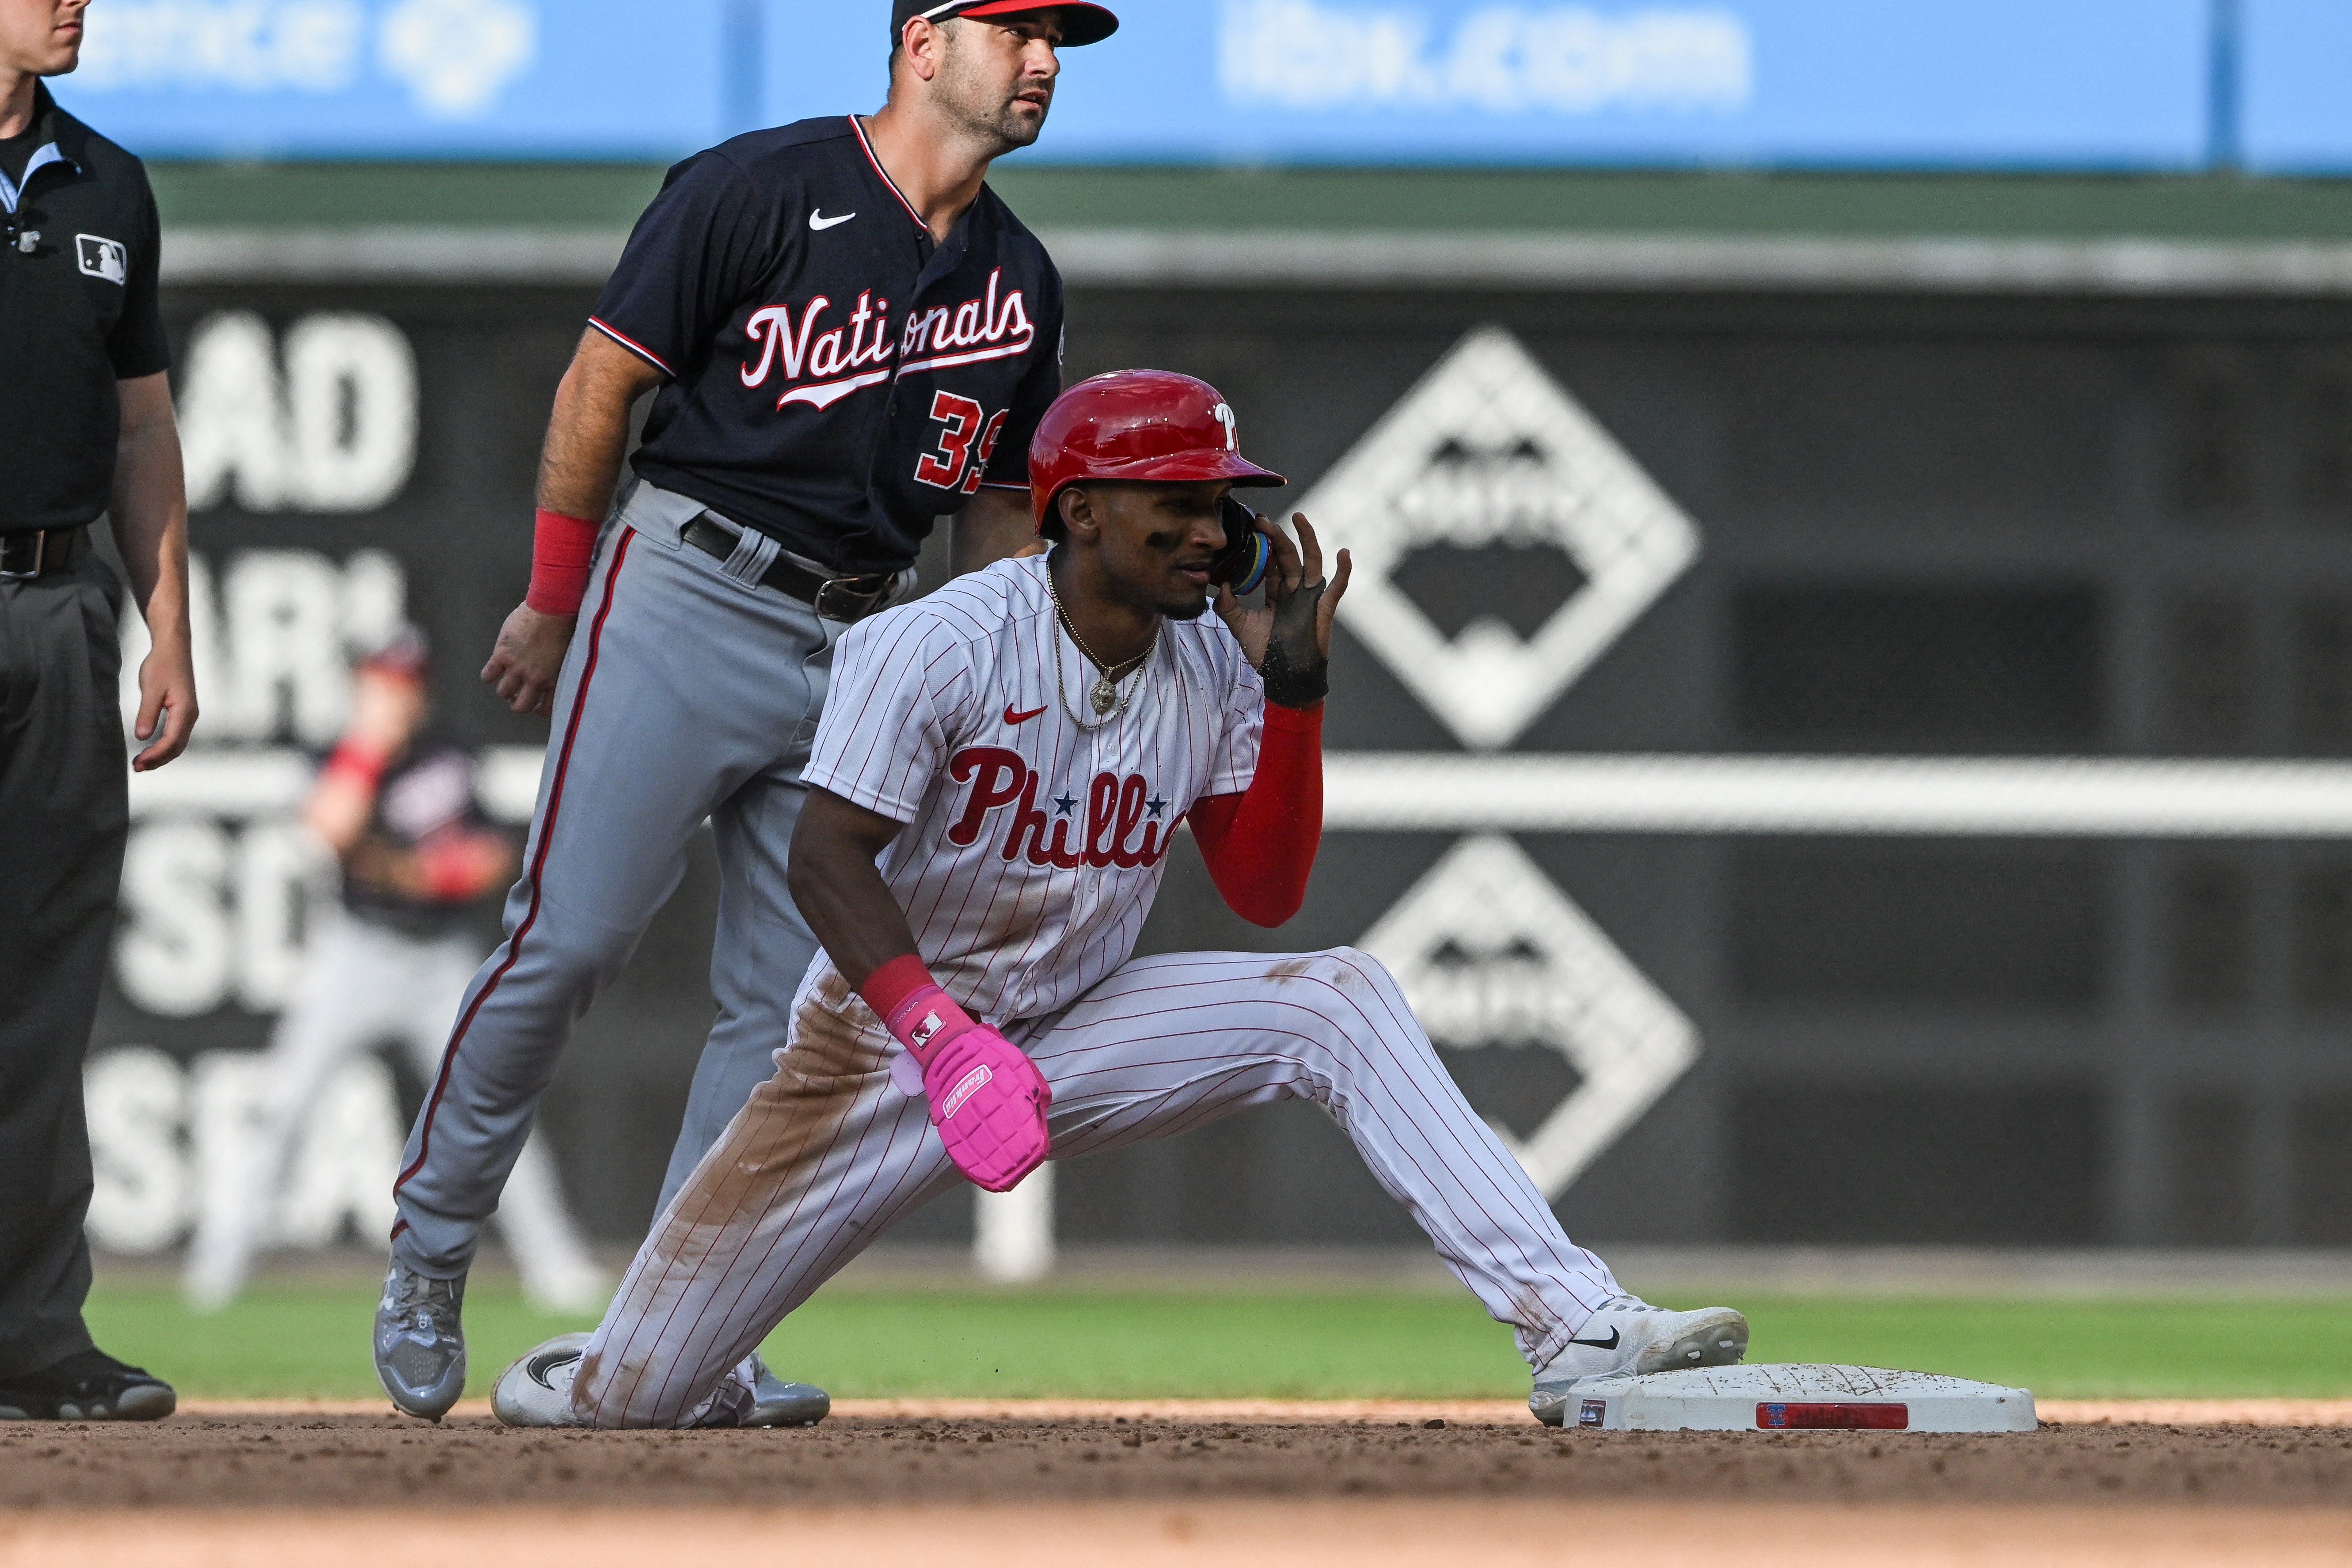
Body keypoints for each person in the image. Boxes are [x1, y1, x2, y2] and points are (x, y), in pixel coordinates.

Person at [484, 370, 1750, 1431]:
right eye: (1179, 501)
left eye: (1221, 503)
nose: (1213, 529)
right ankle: (634, 1360)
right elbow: (824, 855)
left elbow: (1262, 892)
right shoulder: (940, 642)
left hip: (1076, 1019)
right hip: (878, 1052)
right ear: (1079, 508)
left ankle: (1571, 1326)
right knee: (634, 1403)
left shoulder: (1206, 658)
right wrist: (939, 1036)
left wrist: (1296, 692)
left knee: (1336, 998)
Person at [376, 0, 1118, 1423]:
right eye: (1018, 33)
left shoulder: (1021, 279)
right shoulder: (754, 188)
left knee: (783, 1018)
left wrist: (991, 684)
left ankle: (685, 1331)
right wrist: (553, 592)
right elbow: (605, 380)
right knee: (570, 935)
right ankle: (429, 1246)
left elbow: (1006, 514)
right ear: (922, 43)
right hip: (691, 587)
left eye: (1057, 45)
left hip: (870, 632)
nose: (1042, 63)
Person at [185, 631, 608, 1315]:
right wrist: (371, 744)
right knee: (283, 1112)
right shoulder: (339, 754)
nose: (391, 695)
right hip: (353, 954)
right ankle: (215, 1273)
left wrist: (411, 869)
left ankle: (557, 1268)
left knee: (490, 1103)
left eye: (401, 684)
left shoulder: (448, 754)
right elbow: (331, 825)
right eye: (380, 682)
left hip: (436, 959)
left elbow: (488, 856)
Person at [0, 0, 197, 1422]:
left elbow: (141, 423)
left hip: (61, 606)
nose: (79, 0)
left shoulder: (108, 182)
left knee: (41, 991)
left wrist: (168, 625)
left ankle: (30, 1334)